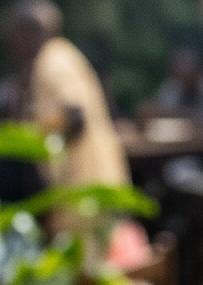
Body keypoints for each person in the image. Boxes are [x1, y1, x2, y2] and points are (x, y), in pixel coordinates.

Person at [8, 2, 127, 190]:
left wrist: (29, 130)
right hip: (95, 182)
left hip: (84, 186)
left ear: (26, 33)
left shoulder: (53, 62)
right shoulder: (63, 55)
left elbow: (75, 116)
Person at [143, 42, 203, 171]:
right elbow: (152, 115)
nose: (183, 82)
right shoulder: (172, 90)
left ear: (199, 72)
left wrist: (180, 118)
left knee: (179, 172)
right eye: (179, 77)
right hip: (180, 157)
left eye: (188, 76)